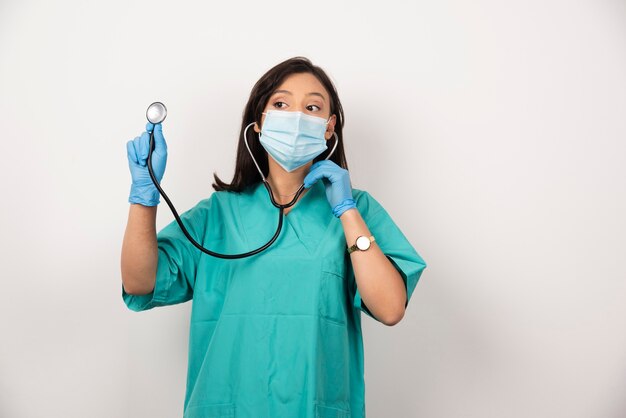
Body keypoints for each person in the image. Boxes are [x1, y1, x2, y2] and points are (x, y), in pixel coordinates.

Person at [121, 56, 427, 418]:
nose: (296, 117)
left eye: (312, 107)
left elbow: (390, 308)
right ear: (260, 122)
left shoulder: (357, 212)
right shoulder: (217, 215)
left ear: (329, 128)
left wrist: (346, 211)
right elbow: (140, 282)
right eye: (281, 104)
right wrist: (144, 196)